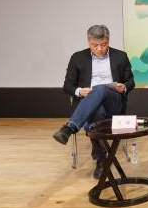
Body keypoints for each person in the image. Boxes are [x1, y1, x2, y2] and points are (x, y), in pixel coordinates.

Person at [53, 25, 135, 179]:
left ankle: (70, 127)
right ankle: (102, 159)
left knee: (101, 88)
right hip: (88, 104)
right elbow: (68, 86)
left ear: (108, 41)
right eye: (95, 45)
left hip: (113, 102)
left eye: (104, 44)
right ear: (88, 41)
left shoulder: (120, 56)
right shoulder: (78, 57)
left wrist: (123, 87)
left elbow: (130, 82)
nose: (100, 49)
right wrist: (79, 91)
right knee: (96, 112)